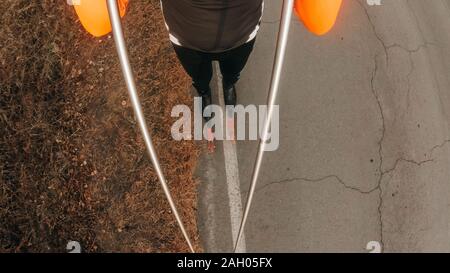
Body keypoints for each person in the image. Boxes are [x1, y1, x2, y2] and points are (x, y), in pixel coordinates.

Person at [160, 0, 264, 111]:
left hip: (241, 30)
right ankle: (203, 91)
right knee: (199, 76)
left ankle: (228, 84)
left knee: (233, 70)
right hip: (185, 33)